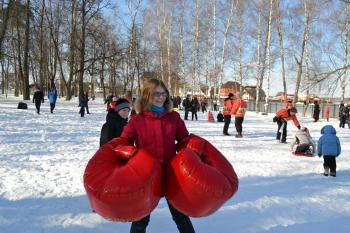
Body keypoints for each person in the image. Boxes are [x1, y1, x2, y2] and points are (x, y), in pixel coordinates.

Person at [120, 78, 195, 233]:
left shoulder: (173, 118)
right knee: (141, 219)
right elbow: (124, 141)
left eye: (164, 93)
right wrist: (133, 155)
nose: (161, 97)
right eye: (156, 94)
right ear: (147, 96)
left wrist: (192, 150)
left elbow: (183, 140)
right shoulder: (137, 120)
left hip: (171, 174)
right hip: (146, 176)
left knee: (181, 216)